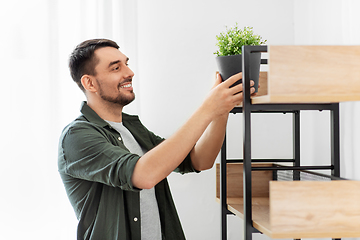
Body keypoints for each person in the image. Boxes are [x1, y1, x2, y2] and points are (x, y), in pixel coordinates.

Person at [58, 39, 256, 240]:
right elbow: (144, 175)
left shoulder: (132, 128)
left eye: (127, 63)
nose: (129, 72)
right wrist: (207, 109)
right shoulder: (77, 136)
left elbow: (199, 160)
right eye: (116, 68)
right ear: (89, 83)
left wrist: (221, 111)